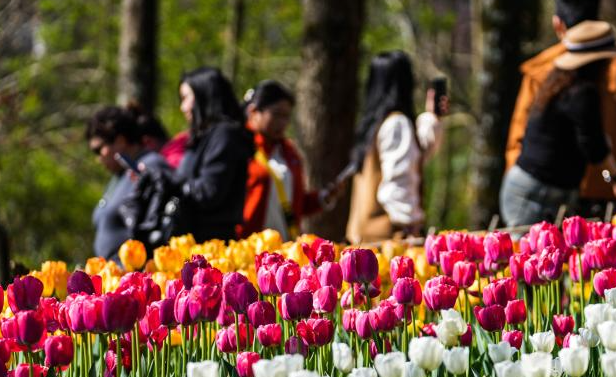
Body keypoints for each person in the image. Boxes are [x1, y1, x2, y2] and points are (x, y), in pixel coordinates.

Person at [505, 0, 616, 219]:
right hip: (539, 190)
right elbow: (597, 147)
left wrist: (614, 177)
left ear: (558, 24)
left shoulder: (559, 76)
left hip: (559, 188)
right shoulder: (580, 91)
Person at [346, 50, 445, 244]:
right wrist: (410, 226)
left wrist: (432, 117)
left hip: (365, 237)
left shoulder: (374, 125)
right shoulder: (397, 123)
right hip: (390, 240)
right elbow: (399, 181)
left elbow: (412, 158)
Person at [240, 81, 334, 240]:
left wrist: (321, 198)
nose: (283, 123)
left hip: (284, 245)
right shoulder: (239, 147)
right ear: (253, 112)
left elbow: (295, 203)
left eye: (286, 117)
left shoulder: (289, 153)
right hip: (247, 245)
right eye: (276, 114)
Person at [171, 67, 255, 242]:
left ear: (204, 96)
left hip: (211, 244)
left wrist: (167, 180)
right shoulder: (202, 137)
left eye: (186, 98)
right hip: (192, 239)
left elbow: (209, 192)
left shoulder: (224, 135)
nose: (182, 107)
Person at [87, 105, 171, 261]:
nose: (98, 159)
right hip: (112, 270)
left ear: (120, 140)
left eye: (99, 150)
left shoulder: (151, 165)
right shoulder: (119, 176)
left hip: (140, 270)